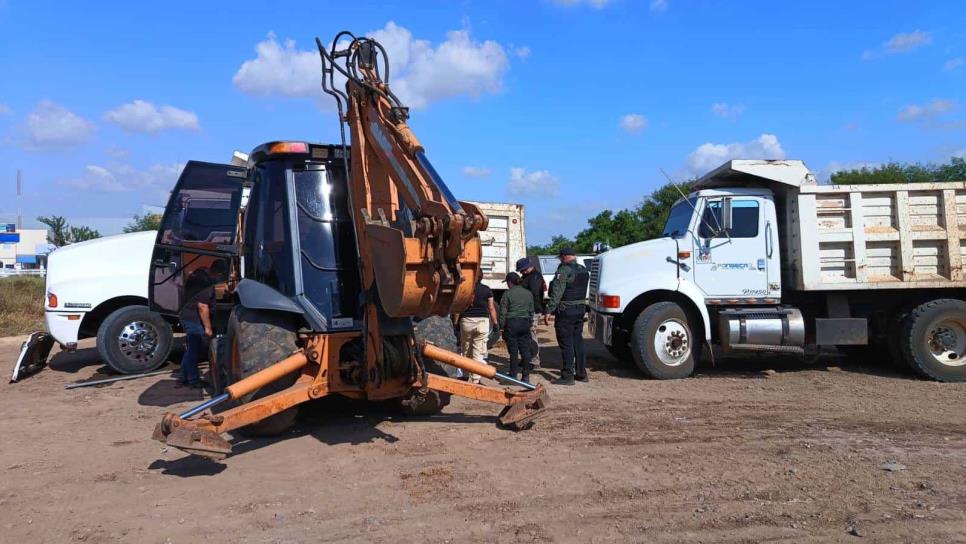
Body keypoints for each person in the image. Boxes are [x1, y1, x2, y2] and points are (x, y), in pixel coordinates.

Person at [546, 247, 590, 385]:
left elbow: (557, 292)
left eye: (560, 258)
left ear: (564, 257)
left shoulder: (564, 270)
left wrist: (549, 309)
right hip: (580, 309)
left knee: (566, 343)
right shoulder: (583, 269)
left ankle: (567, 376)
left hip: (566, 311)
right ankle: (581, 373)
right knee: (578, 341)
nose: (559, 260)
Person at [177, 261, 224, 388]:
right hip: (193, 318)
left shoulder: (200, 273)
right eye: (221, 276)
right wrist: (208, 328)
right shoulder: (206, 282)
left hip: (187, 314)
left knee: (191, 349)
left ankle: (183, 376)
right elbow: (202, 306)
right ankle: (193, 380)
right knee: (194, 349)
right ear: (217, 273)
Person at [459, 276, 498, 384]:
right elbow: (491, 308)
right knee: (478, 352)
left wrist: (456, 323)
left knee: (466, 349)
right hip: (482, 322)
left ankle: (465, 375)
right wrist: (495, 323)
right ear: (482, 277)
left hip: (466, 320)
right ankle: (476, 379)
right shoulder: (487, 289)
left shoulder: (465, 288)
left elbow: (458, 306)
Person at [499, 272, 535, 382]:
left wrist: (501, 326)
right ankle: (525, 376)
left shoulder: (507, 294)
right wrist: (530, 323)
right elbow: (531, 310)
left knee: (513, 351)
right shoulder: (528, 293)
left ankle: (513, 375)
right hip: (525, 323)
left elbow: (503, 312)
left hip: (512, 323)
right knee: (525, 350)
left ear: (510, 282)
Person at [515, 257, 546, 368]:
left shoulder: (535, 277)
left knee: (531, 335)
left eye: (523, 270)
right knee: (525, 336)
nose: (522, 272)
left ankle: (534, 361)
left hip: (533, 310)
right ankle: (526, 358)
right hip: (527, 310)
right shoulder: (527, 276)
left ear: (529, 267)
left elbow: (533, 294)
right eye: (521, 271)